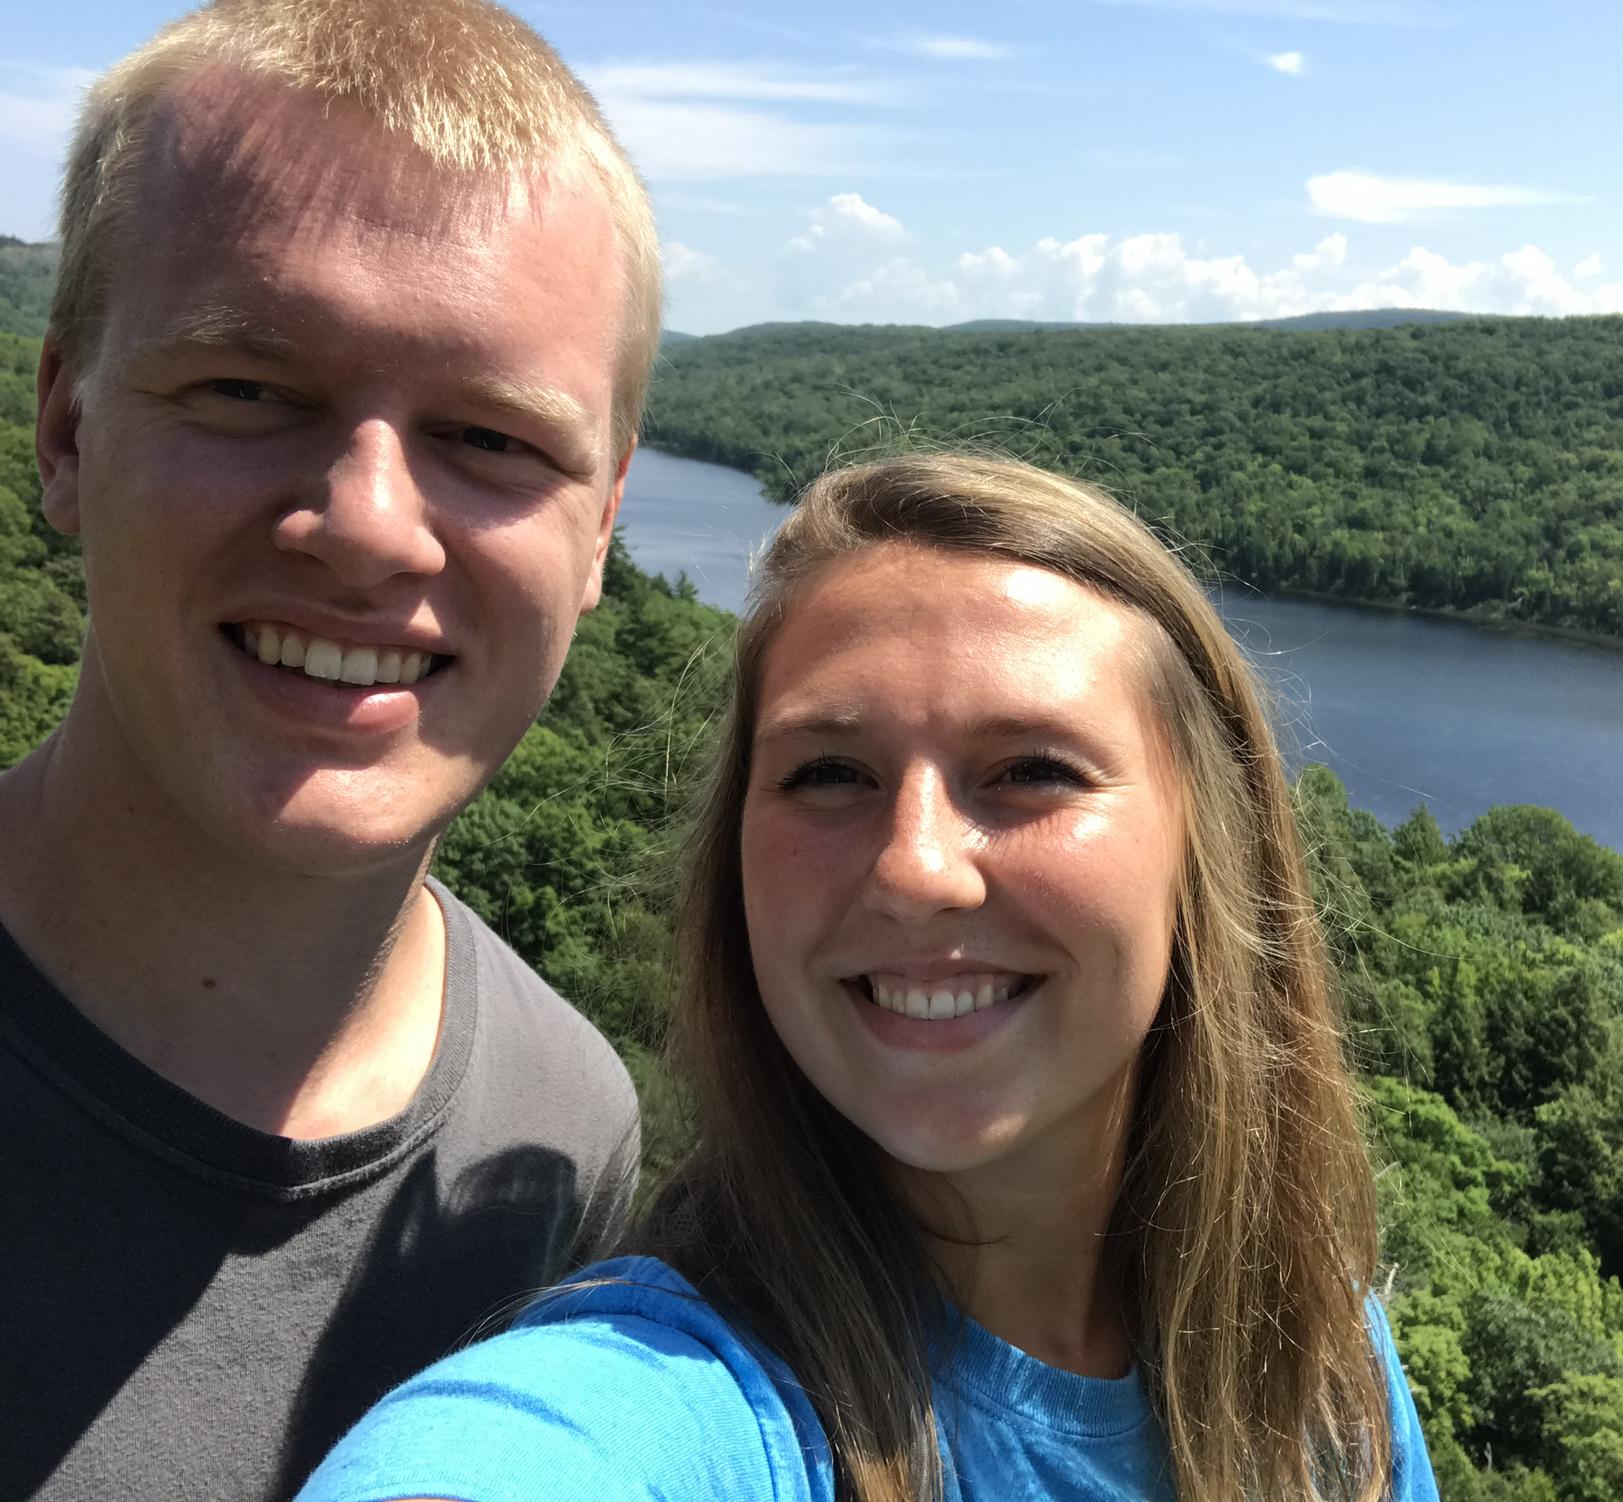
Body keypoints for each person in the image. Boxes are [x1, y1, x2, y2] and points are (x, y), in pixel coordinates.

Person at [303, 454, 1442, 1501]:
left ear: (1209, 845)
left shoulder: (1320, 1381)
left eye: (1030, 770)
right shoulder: (677, 1404)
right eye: (830, 772)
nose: (913, 867)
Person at [0, 2, 663, 1495]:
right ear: (64, 427)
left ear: (604, 522)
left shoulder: (562, 1142)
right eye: (246, 388)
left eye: (492, 437)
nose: (368, 524)